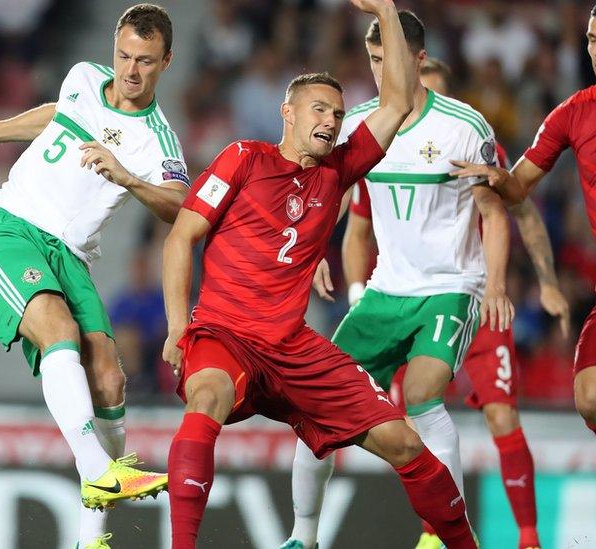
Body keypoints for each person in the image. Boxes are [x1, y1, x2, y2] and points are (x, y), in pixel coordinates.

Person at [162, 1, 477, 547]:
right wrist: (175, 327)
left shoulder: (340, 169)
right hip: (226, 334)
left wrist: (383, 8)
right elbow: (180, 237)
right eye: (318, 110)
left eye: (337, 113)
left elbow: (400, 100)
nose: (330, 120)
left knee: (403, 442)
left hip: (294, 348)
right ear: (288, 112)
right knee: (206, 396)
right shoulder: (243, 158)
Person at [0, 5, 188, 548]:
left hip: (72, 256)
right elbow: (54, 113)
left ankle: (90, 539)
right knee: (59, 331)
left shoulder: (158, 141)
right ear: (113, 48)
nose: (130, 71)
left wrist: (127, 177)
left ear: (167, 61)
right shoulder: (83, 78)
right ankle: (98, 469)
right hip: (11, 231)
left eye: (145, 61)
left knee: (111, 382)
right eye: (123, 55)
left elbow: (179, 205)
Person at [280, 11, 516, 549]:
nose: (382, 69)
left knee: (423, 393)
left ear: (420, 60)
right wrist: (316, 249)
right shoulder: (363, 123)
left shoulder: (464, 125)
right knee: (315, 402)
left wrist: (496, 284)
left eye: (390, 59)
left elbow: (493, 210)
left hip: (451, 286)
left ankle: (441, 535)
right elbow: (334, 194)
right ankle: (304, 537)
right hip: (388, 291)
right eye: (374, 60)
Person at [330, 57, 565, 549]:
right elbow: (357, 228)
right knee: (416, 410)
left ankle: (528, 538)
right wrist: (358, 296)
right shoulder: (384, 146)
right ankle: (434, 533)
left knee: (500, 414)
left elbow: (518, 213)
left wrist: (544, 280)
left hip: (476, 300)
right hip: (409, 304)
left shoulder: (473, 142)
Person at [451, 4, 596, 441]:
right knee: (588, 394)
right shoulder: (573, 114)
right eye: (591, 38)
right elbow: (519, 189)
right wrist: (499, 178)